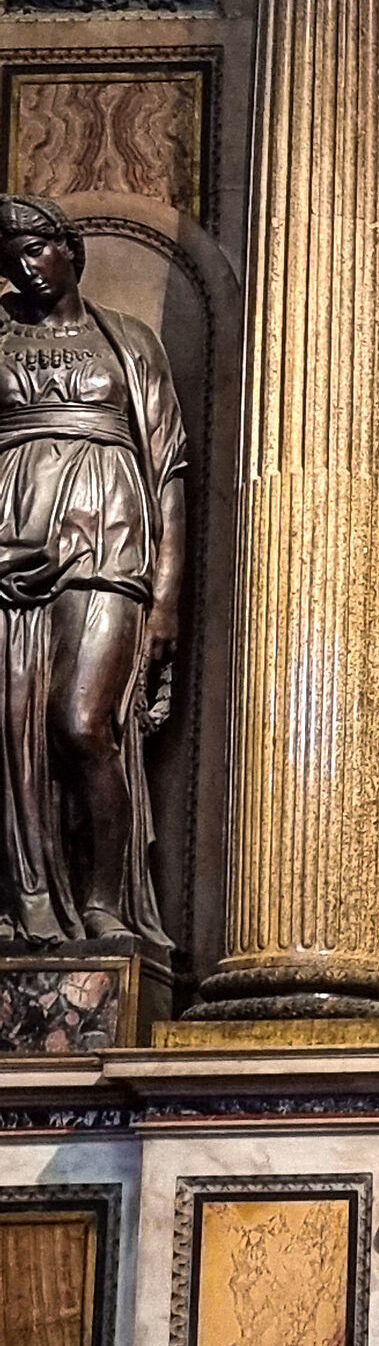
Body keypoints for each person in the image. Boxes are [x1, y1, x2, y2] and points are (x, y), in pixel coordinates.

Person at [0, 195, 185, 947]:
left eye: (38, 246)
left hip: (109, 547)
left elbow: (167, 467)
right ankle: (29, 901)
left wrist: (168, 598)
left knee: (81, 724)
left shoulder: (129, 340)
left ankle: (108, 903)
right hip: (10, 551)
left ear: (71, 249)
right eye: (9, 254)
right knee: (8, 733)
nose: (25, 264)